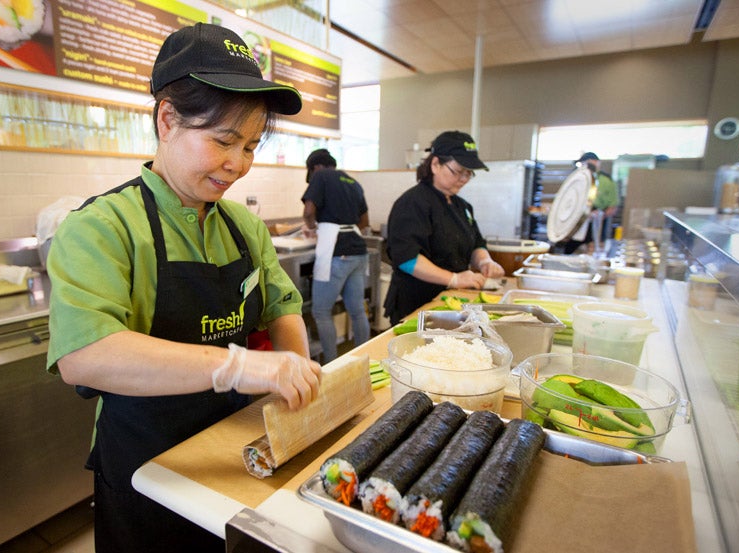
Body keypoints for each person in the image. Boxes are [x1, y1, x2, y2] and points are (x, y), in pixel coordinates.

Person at [45, 23, 322, 553]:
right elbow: (84, 354)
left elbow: (283, 307)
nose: (238, 165)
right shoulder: (103, 227)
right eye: (222, 141)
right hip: (146, 466)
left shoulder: (244, 226)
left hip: (236, 450)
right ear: (167, 119)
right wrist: (241, 367)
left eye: (250, 146)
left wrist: (297, 400)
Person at [382, 130, 505, 325]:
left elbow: (476, 244)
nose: (464, 179)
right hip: (417, 305)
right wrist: (454, 279)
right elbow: (407, 259)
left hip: (452, 302)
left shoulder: (462, 206)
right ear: (435, 164)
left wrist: (485, 262)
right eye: (458, 171)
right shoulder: (412, 203)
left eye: (469, 173)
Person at [301, 149, 371, 363]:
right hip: (359, 253)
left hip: (337, 254)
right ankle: (364, 360)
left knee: (321, 311)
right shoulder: (352, 181)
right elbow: (365, 222)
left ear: (315, 167)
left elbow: (308, 211)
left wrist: (313, 228)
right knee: (358, 310)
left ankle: (331, 365)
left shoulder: (321, 176)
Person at [563, 152, 620, 254]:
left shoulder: (606, 181)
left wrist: (598, 216)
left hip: (595, 223)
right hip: (576, 222)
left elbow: (613, 207)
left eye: (590, 164)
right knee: (570, 250)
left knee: (592, 252)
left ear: (597, 163)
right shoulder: (576, 179)